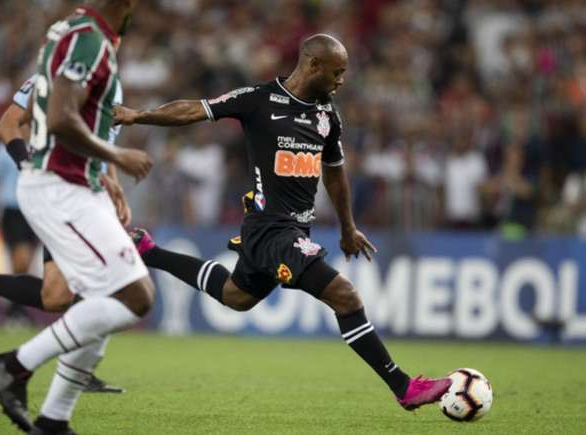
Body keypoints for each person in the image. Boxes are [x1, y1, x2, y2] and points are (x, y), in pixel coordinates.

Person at [115, 34, 451, 411]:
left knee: (236, 296)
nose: (342, 80)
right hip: (270, 229)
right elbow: (195, 109)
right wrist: (138, 115)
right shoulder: (258, 100)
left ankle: (149, 251)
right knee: (346, 296)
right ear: (312, 65)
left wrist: (347, 227)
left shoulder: (328, 117)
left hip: (293, 231)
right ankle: (404, 387)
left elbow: (335, 174)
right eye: (337, 72)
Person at [0, 2, 152, 434]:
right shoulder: (89, 40)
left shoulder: (77, 34)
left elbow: (75, 119)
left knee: (101, 297)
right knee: (133, 296)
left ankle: (54, 418)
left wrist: (106, 175)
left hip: (80, 184)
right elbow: (58, 118)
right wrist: (118, 155)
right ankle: (16, 364)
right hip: (60, 186)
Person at [0, 70, 129, 394]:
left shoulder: (113, 83)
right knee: (112, 282)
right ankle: (65, 372)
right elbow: (8, 124)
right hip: (67, 192)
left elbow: (106, 142)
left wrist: (116, 186)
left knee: (57, 295)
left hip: (92, 195)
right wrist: (31, 167)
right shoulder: (49, 77)